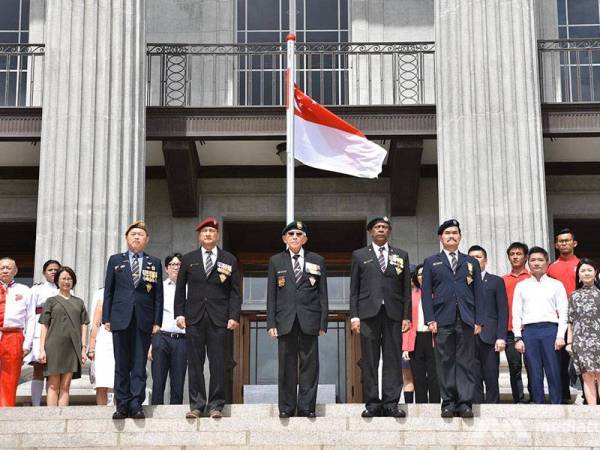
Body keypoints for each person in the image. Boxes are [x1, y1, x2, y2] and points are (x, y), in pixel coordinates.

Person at [175, 218, 241, 419]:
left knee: (218, 363)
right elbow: (180, 290)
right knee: (195, 363)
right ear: (199, 236)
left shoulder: (229, 259)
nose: (209, 234)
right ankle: (196, 405)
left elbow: (235, 292)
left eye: (212, 231)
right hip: (194, 318)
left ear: (217, 235)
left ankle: (216, 406)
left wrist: (233, 315)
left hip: (219, 319)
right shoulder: (188, 259)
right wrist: (179, 313)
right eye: (205, 231)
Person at [421, 219, 485, 418]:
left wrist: (479, 320)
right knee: (445, 361)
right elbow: (425, 293)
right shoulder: (432, 262)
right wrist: (430, 319)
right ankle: (448, 402)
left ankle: (465, 402)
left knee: (465, 361)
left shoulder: (471, 261)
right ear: (441, 237)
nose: (451, 236)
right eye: (447, 233)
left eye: (455, 233)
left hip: (466, 318)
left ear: (460, 236)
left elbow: (479, 293)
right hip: (442, 319)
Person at [350, 216, 411, 418]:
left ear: (389, 231)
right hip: (368, 313)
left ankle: (391, 403)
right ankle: (373, 404)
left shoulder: (401, 255)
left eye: (385, 227)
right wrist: (354, 317)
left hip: (394, 313)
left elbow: (406, 290)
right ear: (370, 232)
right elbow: (354, 289)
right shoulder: (359, 255)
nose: (381, 230)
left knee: (393, 359)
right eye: (377, 227)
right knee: (370, 359)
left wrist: (406, 316)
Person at [103, 220, 164, 420]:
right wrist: (106, 317)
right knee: (121, 363)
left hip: (144, 319)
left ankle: (136, 403)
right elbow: (109, 292)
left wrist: (157, 321)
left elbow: (158, 295)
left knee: (139, 364)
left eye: (140, 235)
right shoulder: (115, 260)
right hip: (120, 318)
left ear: (147, 240)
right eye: (133, 234)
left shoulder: (153, 262)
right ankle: (121, 405)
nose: (136, 237)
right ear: (126, 238)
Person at [267, 221, 328, 418]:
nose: (295, 236)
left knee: (309, 366)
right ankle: (286, 407)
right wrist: (271, 323)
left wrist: (323, 322)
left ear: (305, 239)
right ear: (284, 238)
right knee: (286, 365)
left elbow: (323, 294)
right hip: (285, 321)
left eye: (299, 233)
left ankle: (306, 407)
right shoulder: (276, 261)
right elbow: (271, 296)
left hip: (310, 320)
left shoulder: (317, 260)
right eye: (291, 233)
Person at [512, 246, 568, 405]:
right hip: (529, 332)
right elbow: (517, 313)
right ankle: (538, 404)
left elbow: (563, 311)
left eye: (540, 260)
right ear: (528, 262)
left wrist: (560, 336)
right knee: (533, 371)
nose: (536, 263)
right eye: (533, 260)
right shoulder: (522, 285)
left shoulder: (556, 285)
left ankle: (556, 403)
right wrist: (518, 337)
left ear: (547, 262)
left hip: (551, 330)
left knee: (553, 370)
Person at [38, 266, 89, 406]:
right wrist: (42, 349)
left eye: (69, 279)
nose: (66, 281)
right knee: (53, 384)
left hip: (72, 347)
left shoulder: (79, 302)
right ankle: (52, 418)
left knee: (66, 385)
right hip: (53, 346)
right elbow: (44, 325)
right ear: (57, 281)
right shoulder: (51, 301)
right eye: (63, 278)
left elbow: (84, 324)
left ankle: (62, 416)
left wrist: (83, 348)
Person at [468, 245, 508, 404]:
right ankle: (477, 407)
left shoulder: (496, 281)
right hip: (469, 335)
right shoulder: (464, 282)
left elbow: (502, 310)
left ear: (486, 260)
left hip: (490, 336)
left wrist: (501, 337)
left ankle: (493, 407)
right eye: (472, 257)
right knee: (474, 375)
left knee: (491, 375)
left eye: (478, 257)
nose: (475, 260)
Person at [547, 228, 580, 403]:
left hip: (579, 319)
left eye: (567, 240)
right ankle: (563, 394)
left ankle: (587, 394)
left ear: (574, 243)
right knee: (559, 359)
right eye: (561, 241)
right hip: (559, 319)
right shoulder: (551, 267)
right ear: (556, 245)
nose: (564, 243)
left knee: (582, 357)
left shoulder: (583, 265)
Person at [151, 253, 186, 405]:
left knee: (178, 383)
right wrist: (150, 344)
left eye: (179, 265)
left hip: (182, 339)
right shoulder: (159, 288)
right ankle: (156, 415)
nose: (176, 268)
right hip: (161, 337)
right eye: (173, 265)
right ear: (166, 268)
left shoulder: (189, 288)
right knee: (158, 380)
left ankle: (176, 418)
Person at [24, 259, 60, 406]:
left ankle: (52, 403)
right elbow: (30, 314)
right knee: (38, 367)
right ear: (44, 273)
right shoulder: (36, 289)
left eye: (56, 269)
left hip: (58, 329)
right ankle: (36, 403)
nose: (53, 272)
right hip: (40, 328)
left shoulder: (66, 289)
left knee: (55, 368)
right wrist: (29, 337)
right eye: (50, 269)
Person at [402, 263, 440, 404]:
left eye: (425, 274)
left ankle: (436, 404)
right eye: (419, 274)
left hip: (433, 339)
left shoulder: (438, 293)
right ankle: (421, 406)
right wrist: (405, 347)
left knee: (434, 375)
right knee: (418, 376)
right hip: (416, 338)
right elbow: (406, 324)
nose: (422, 277)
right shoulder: (411, 295)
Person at [0, 257, 34, 407]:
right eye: (2, 268)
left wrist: (27, 344)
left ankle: (6, 408)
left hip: (14, 335)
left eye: (8, 268)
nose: (5, 270)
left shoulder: (25, 290)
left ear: (15, 271)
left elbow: (31, 318)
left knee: (11, 374)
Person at [566, 258, 600, 405]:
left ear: (596, 272)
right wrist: (569, 342)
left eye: (589, 270)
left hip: (599, 339)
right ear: (578, 275)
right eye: (583, 271)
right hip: (581, 342)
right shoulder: (574, 296)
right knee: (587, 376)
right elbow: (570, 321)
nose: (586, 273)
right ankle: (592, 413)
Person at [502, 242, 531, 403]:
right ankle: (518, 399)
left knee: (533, 367)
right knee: (515, 367)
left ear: (526, 257)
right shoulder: (503, 280)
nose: (515, 256)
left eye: (518, 254)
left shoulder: (532, 278)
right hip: (509, 329)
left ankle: (535, 396)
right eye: (512, 254)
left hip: (529, 329)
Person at [88, 287, 115, 405]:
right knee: (102, 381)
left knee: (119, 381)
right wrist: (92, 347)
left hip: (121, 339)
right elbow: (96, 323)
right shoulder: (103, 297)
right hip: (104, 340)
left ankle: (118, 410)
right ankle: (101, 411)